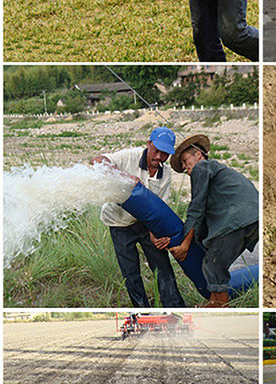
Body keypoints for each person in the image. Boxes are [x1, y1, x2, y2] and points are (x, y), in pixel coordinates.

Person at [91, 126, 186, 308]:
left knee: (162, 266)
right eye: (156, 150)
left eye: (164, 154)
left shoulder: (165, 174)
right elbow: (97, 160)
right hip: (119, 223)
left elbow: (159, 207)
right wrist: (124, 176)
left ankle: (174, 306)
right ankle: (142, 309)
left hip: (144, 224)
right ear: (149, 144)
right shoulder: (130, 156)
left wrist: (154, 234)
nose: (159, 157)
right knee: (130, 271)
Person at [167, 135, 258, 307]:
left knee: (213, 264)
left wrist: (185, 245)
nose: (186, 168)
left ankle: (221, 305)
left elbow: (196, 208)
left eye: (186, 161)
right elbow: (204, 221)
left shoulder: (202, 168)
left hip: (239, 218)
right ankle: (214, 301)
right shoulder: (219, 171)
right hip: (254, 218)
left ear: (199, 155)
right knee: (216, 261)